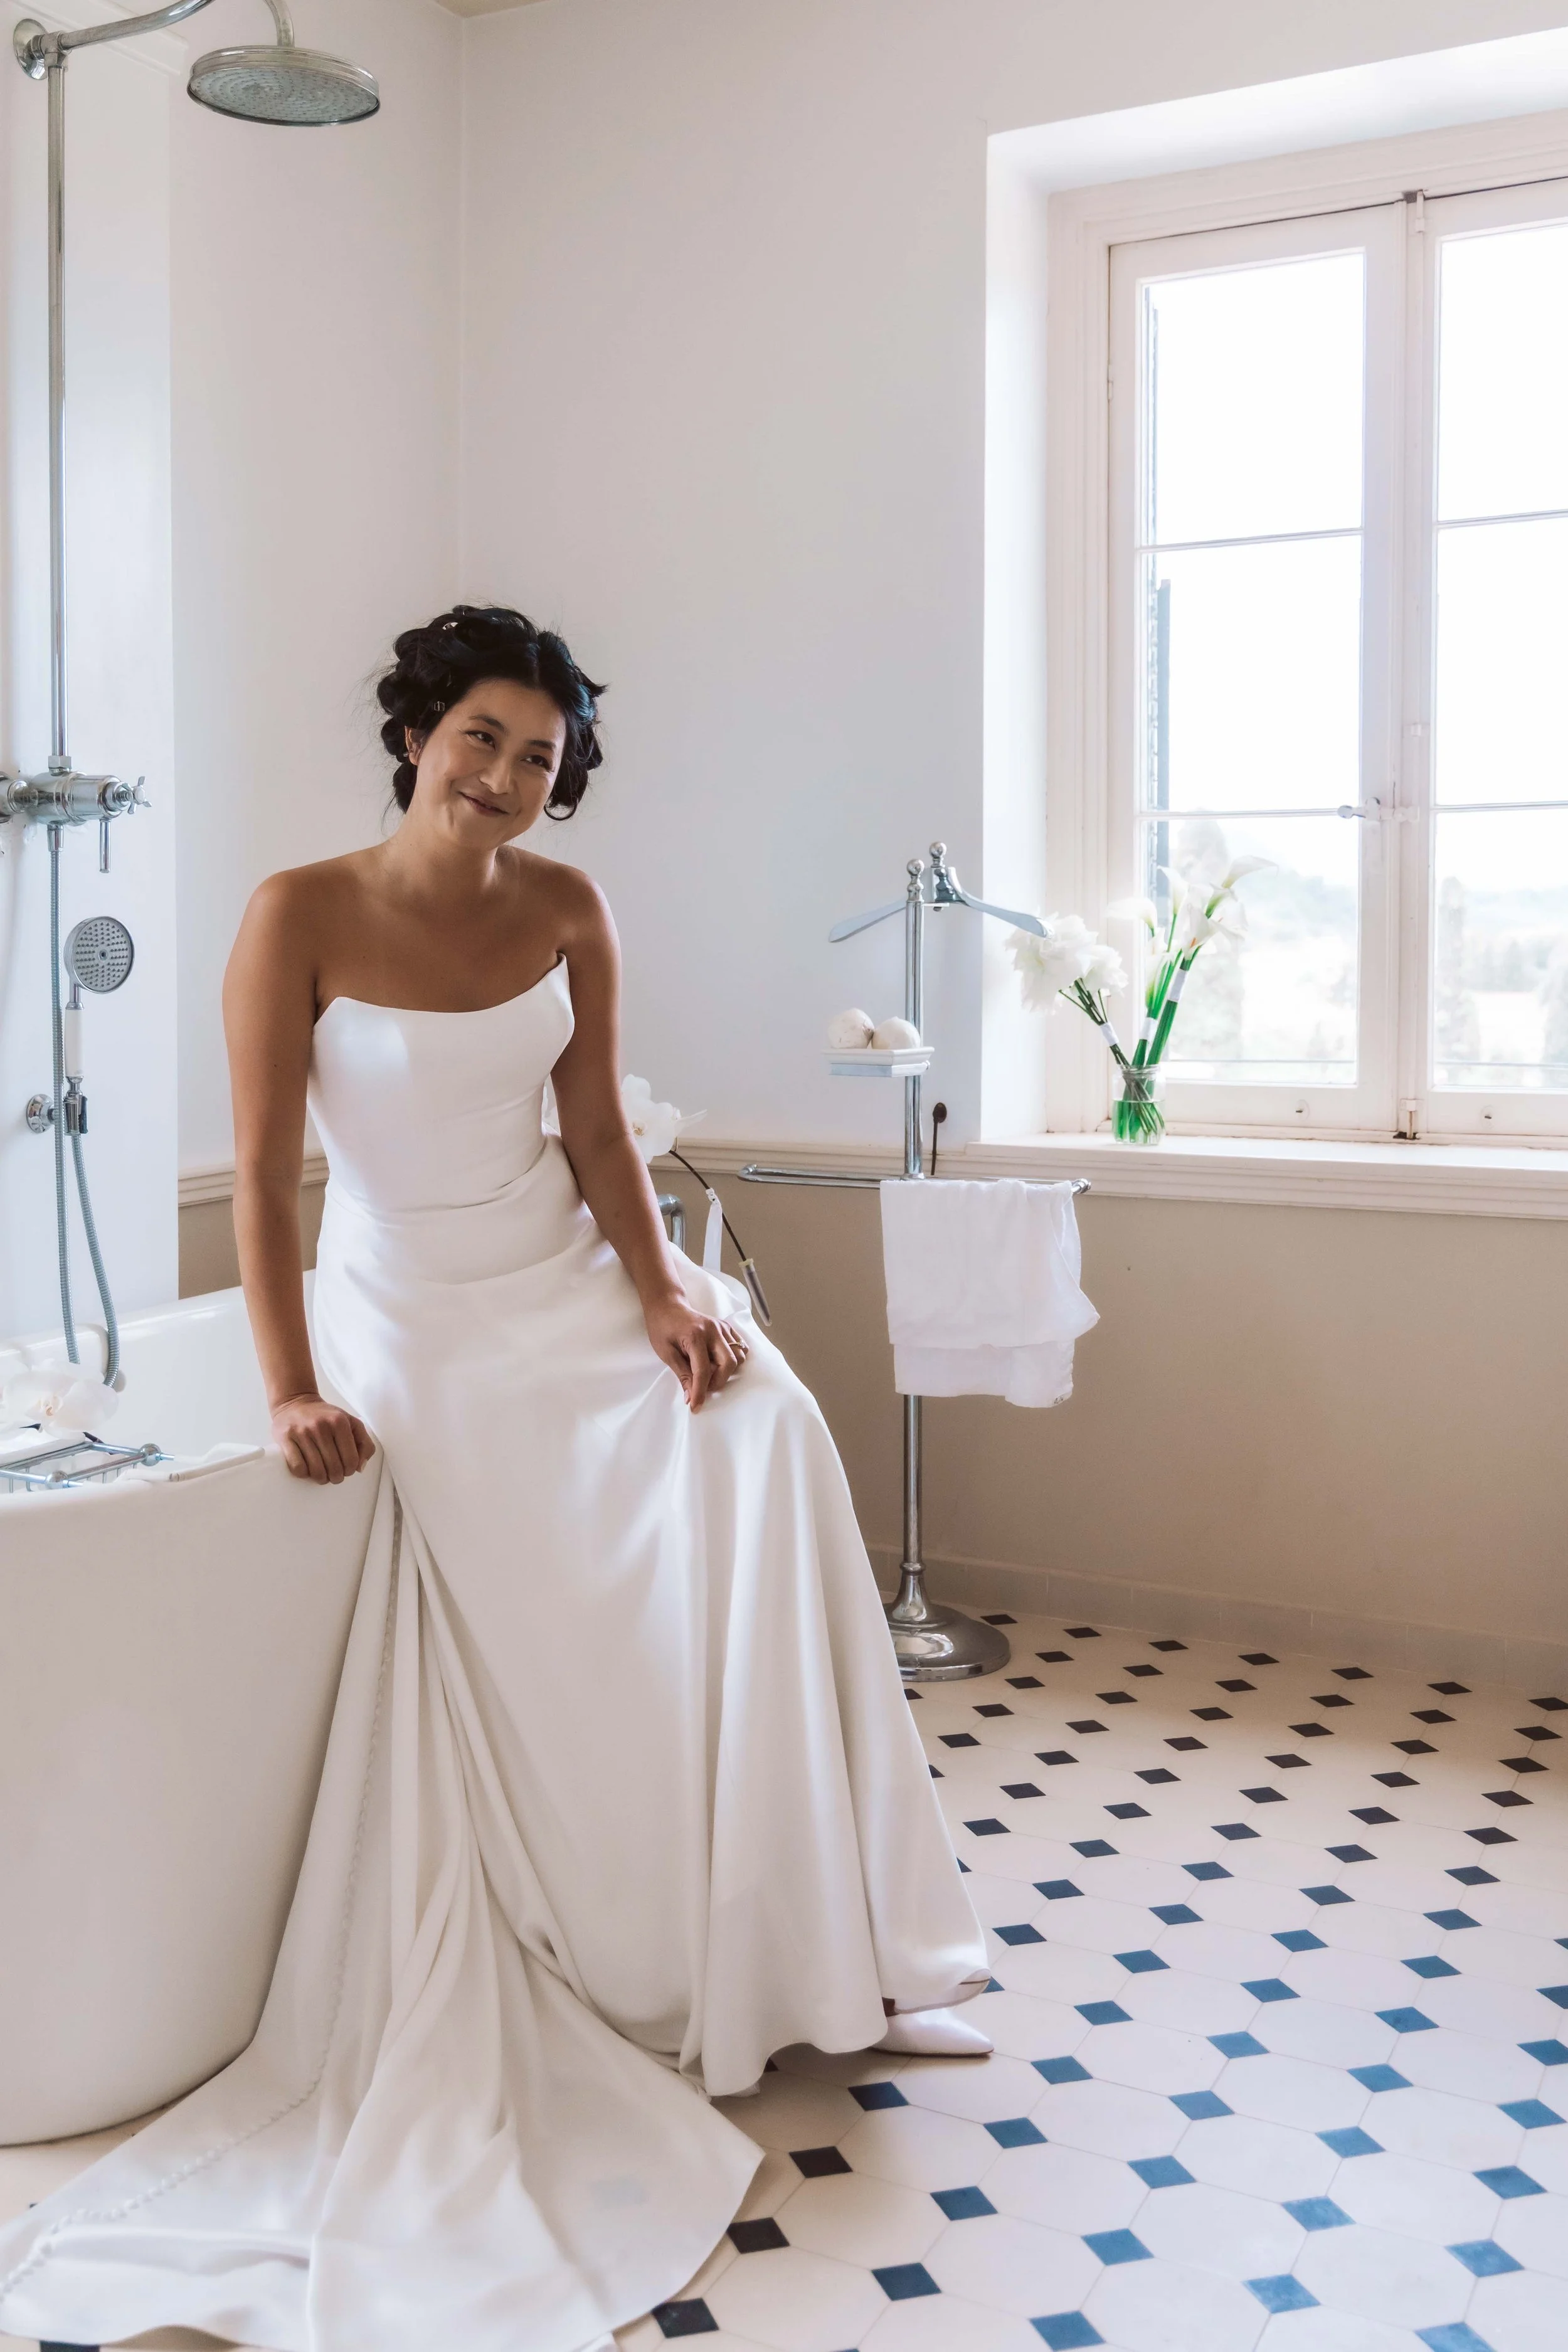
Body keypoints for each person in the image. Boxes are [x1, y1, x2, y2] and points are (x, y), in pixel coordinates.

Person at [0, 606, 988, 2352]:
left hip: (562, 1276)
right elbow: (265, 1175)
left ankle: (804, 1935)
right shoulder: (296, 912)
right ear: (415, 734)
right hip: (408, 1311)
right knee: (531, 1556)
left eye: (540, 756)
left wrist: (665, 1292)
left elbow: (595, 1133)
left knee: (765, 1431)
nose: (508, 776)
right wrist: (289, 1385)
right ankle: (605, 1944)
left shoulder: (567, 908)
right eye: (483, 737)